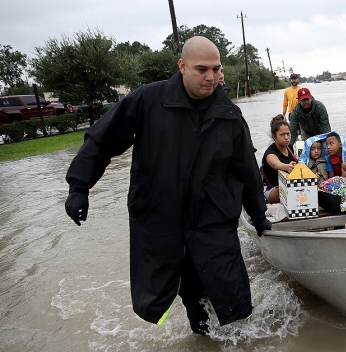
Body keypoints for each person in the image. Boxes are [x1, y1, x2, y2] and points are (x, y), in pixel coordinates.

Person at [63, 36, 272, 334]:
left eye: (216, 68)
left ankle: (233, 336)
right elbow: (102, 140)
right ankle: (201, 333)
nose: (211, 77)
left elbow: (248, 171)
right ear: (182, 66)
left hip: (212, 220)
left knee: (229, 292)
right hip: (161, 220)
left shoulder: (230, 115)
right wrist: (79, 188)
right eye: (202, 69)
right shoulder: (148, 100)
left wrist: (259, 215)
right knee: (178, 289)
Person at [261, 114, 298, 203]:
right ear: (274, 136)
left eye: (288, 134)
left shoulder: (291, 148)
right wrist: (286, 166)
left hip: (289, 185)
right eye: (282, 135)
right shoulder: (270, 152)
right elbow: (275, 163)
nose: (286, 137)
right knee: (287, 189)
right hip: (273, 189)